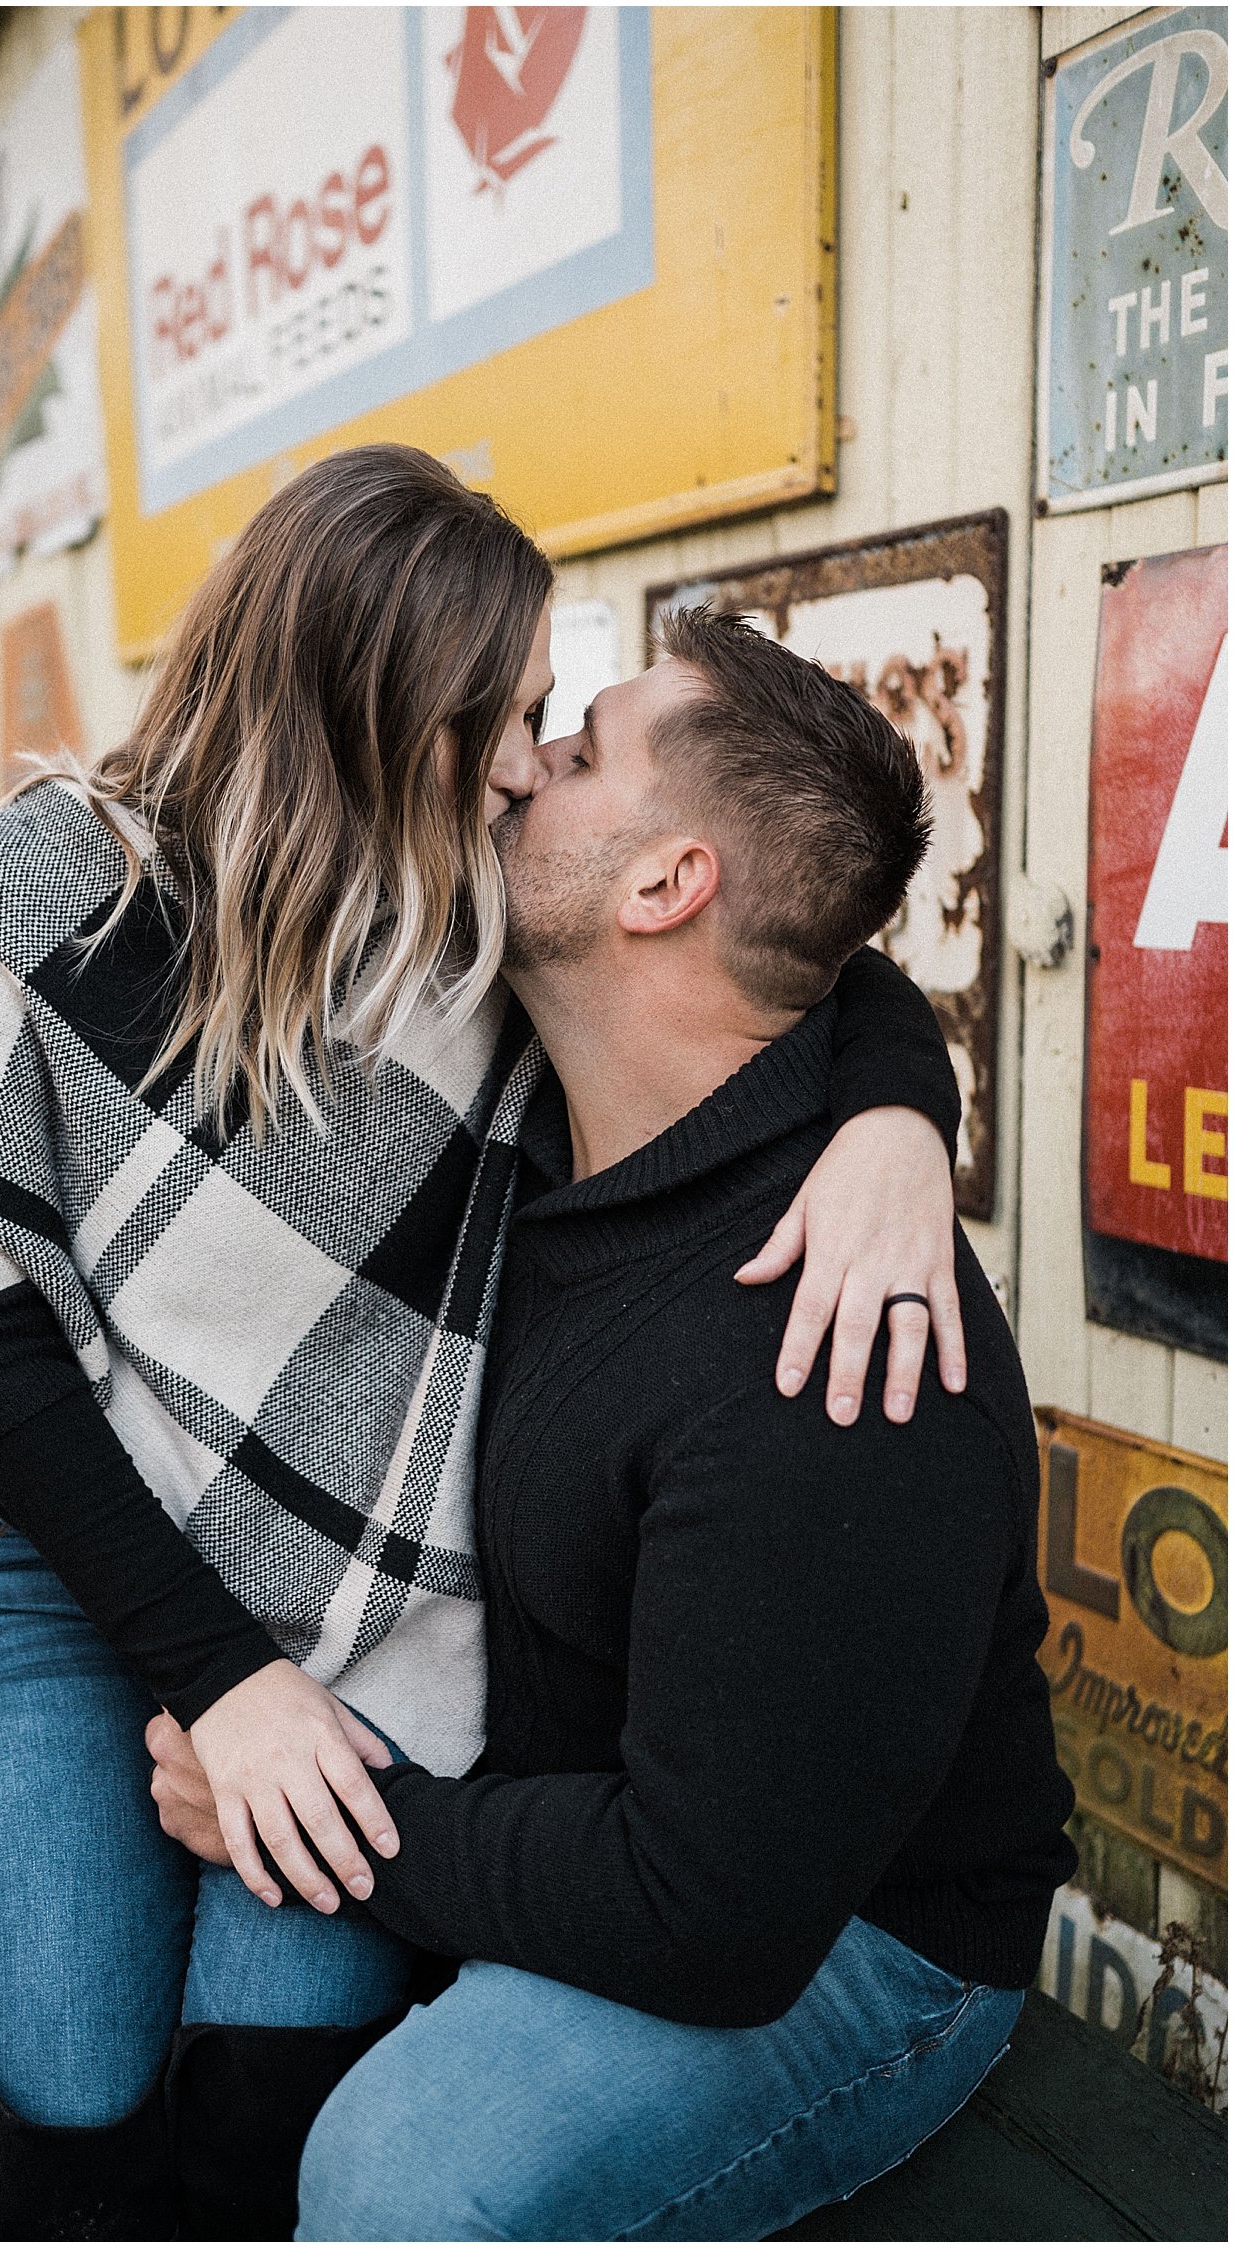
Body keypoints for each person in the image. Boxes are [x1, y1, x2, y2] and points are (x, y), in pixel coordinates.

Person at [0, 448, 968, 2241]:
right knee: (68, 2067)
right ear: (381, 703)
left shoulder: (475, 928)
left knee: (274, 2072)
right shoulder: (23, 906)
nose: (531, 758)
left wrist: (904, 1123)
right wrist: (218, 1682)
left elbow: (794, 943)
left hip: (369, 1610)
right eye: (513, 715)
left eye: (556, 724)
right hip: (65, 1554)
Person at [149, 604, 1078, 2243]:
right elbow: (840, 972)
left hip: (850, 1941)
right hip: (573, 1805)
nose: (511, 774)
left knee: (405, 2175)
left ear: (666, 887)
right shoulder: (534, 1091)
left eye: (573, 755)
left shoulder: (829, 1362)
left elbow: (712, 1916)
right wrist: (903, 1099)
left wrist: (319, 1812)